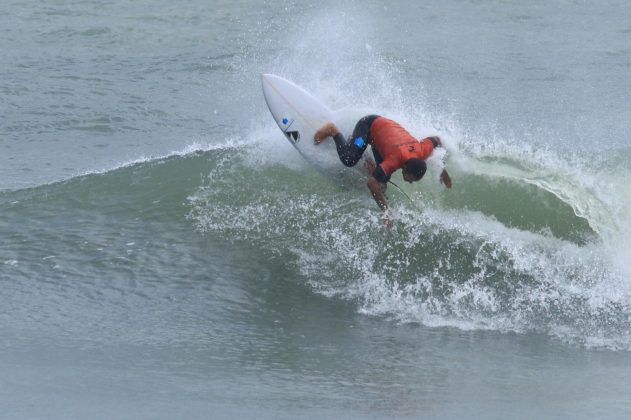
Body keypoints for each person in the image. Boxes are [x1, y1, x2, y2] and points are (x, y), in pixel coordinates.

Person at [314, 115, 452, 225]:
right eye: (410, 179)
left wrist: (442, 171)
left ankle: (366, 159)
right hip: (368, 127)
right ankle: (333, 131)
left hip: (385, 133)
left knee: (383, 182)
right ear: (406, 169)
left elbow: (436, 140)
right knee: (349, 159)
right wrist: (386, 212)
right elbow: (371, 183)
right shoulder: (395, 160)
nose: (410, 182)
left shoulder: (422, 151)